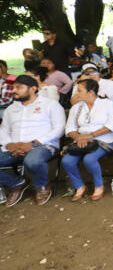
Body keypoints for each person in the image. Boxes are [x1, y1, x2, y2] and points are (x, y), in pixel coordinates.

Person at [0, 75, 66, 207]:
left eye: (19, 87)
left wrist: (33, 144)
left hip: (43, 146)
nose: (14, 90)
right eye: (14, 87)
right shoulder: (11, 109)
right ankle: (17, 183)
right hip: (14, 148)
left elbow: (59, 128)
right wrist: (10, 144)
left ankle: (41, 185)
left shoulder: (50, 104)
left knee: (32, 161)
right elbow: (3, 130)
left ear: (33, 89)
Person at [62, 79, 113, 201]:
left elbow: (112, 125)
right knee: (67, 161)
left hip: (104, 139)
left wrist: (91, 135)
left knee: (89, 159)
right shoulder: (77, 107)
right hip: (81, 140)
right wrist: (78, 137)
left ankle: (99, 186)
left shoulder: (107, 104)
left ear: (91, 92)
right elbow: (69, 128)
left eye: (79, 91)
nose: (76, 94)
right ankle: (80, 186)